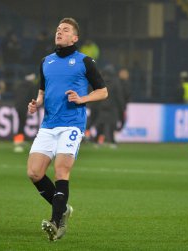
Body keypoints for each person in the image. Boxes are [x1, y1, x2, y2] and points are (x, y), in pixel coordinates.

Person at [27, 17, 108, 241]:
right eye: (58, 29)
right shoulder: (46, 61)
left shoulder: (85, 61)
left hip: (72, 124)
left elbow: (103, 91)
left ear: (75, 37)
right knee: (34, 173)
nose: (59, 32)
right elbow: (42, 93)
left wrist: (82, 98)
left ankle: (56, 223)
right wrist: (36, 103)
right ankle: (62, 207)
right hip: (48, 125)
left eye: (65, 30)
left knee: (61, 170)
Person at [94, 64, 123, 148]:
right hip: (113, 107)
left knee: (100, 124)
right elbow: (119, 96)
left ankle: (97, 141)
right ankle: (112, 142)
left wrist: (94, 106)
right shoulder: (116, 82)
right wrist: (122, 107)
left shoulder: (100, 81)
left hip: (101, 106)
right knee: (112, 125)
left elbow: (96, 93)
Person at [13, 72, 38, 153]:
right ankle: (18, 143)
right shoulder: (31, 86)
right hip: (24, 106)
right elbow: (33, 97)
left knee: (21, 123)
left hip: (18, 106)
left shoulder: (20, 85)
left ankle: (20, 140)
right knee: (21, 124)